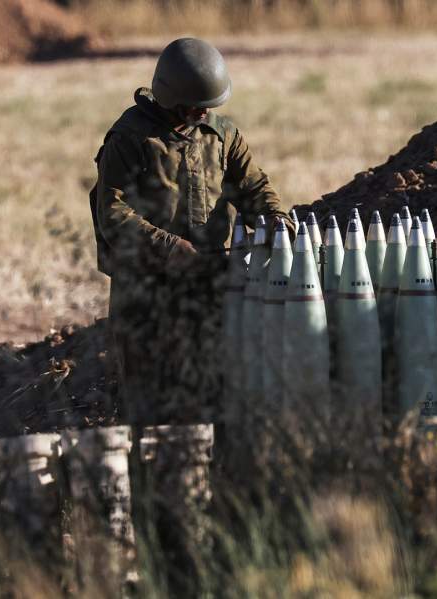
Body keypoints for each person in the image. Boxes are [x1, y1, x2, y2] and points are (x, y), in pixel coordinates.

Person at [90, 37, 293, 427]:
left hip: (210, 290)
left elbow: (253, 187)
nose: (203, 113)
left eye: (209, 106)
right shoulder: (130, 138)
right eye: (197, 106)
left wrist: (275, 219)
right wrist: (170, 250)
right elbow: (112, 213)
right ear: (170, 97)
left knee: (213, 393)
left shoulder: (223, 136)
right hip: (146, 295)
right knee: (150, 406)